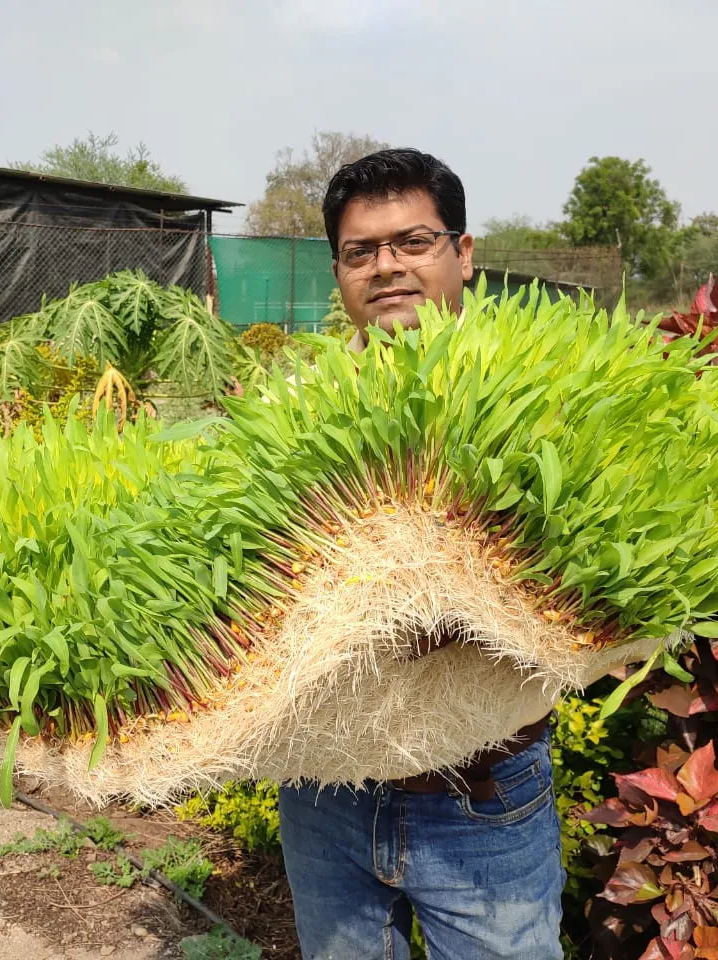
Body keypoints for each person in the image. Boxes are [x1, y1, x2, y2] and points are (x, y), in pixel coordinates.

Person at [276, 148, 563, 960]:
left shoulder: (538, 394)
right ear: (338, 270)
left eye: (412, 242)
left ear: (463, 254)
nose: (387, 267)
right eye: (361, 251)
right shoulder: (301, 407)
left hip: (480, 792)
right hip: (323, 789)